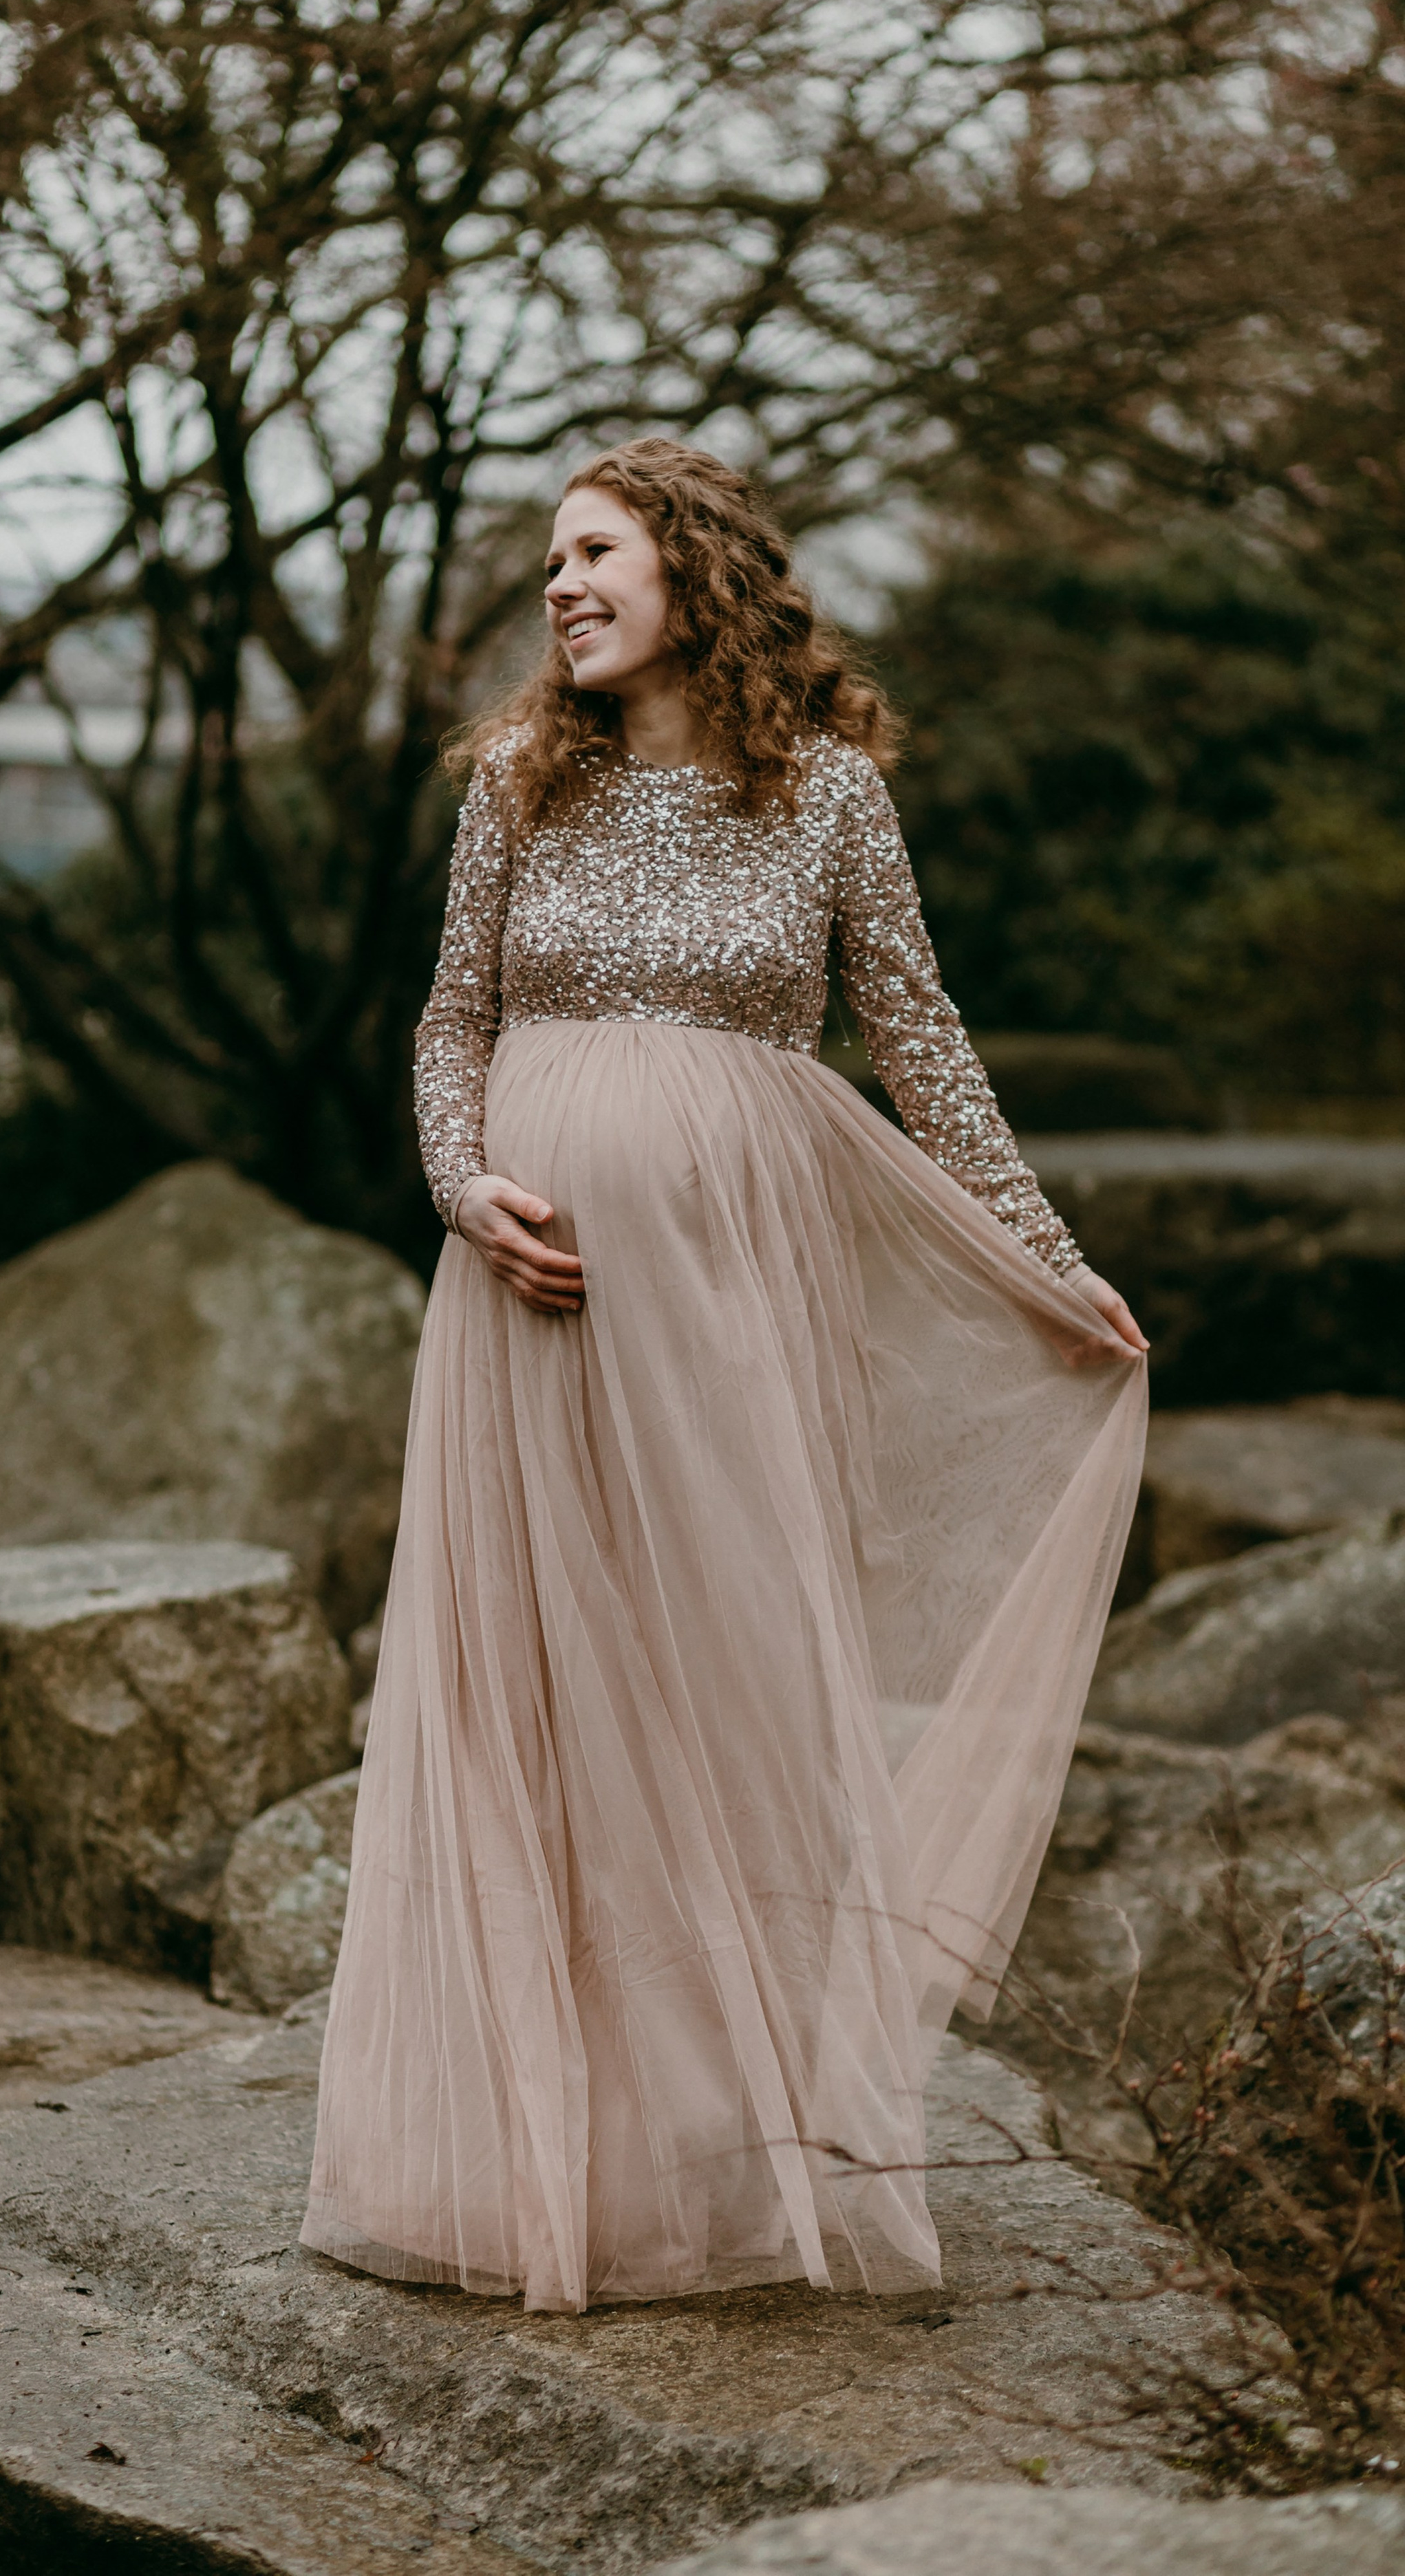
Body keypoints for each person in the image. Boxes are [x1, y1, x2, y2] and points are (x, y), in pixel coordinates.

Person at [301, 438, 1148, 2315]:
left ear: (691, 566)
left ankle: (726, 2144)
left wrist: (1047, 1256)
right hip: (533, 1304)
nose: (560, 588)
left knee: (728, 1676)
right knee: (532, 1688)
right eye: (549, 565)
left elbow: (922, 1044)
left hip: (734, 1304)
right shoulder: (523, 783)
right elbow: (454, 1022)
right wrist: (459, 1182)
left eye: (591, 552)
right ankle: (530, 2159)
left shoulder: (832, 798)